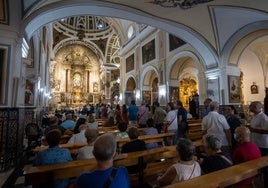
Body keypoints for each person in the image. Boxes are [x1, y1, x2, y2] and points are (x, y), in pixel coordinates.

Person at [249, 101, 268, 187]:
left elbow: (267, 130)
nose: (249, 108)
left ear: (256, 108)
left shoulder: (263, 117)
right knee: (258, 164)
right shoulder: (255, 116)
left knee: (265, 166)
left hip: (263, 144)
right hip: (255, 143)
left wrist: (253, 130)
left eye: (251, 106)